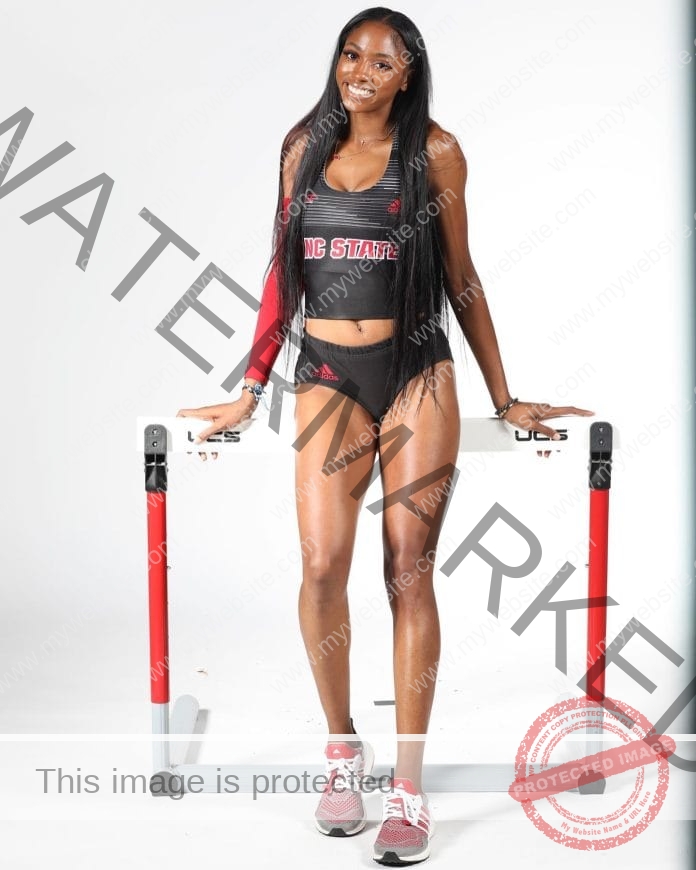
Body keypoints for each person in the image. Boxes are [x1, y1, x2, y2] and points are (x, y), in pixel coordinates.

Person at [177, 7, 594, 865]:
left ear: (409, 74)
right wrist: (248, 391)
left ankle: (408, 787)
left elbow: (464, 279)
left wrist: (505, 396)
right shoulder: (301, 148)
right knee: (323, 565)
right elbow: (279, 275)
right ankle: (342, 748)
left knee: (408, 567)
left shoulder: (434, 153)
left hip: (416, 374)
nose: (363, 68)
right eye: (351, 53)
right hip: (327, 378)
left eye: (384, 59)